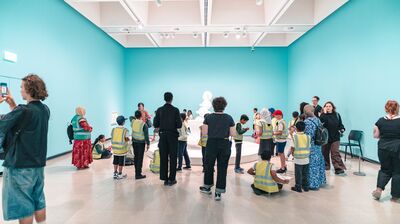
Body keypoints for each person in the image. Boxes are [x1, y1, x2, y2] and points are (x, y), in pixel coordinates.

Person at [0, 74, 49, 224]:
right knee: (38, 199)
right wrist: (12, 105)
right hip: (38, 165)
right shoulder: (44, 109)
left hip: (20, 165)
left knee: (24, 205)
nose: (20, 90)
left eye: (21, 87)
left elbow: (3, 124)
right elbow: (24, 121)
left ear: (28, 89)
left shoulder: (23, 110)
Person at [199, 97, 235, 201]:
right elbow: (233, 134)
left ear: (213, 106)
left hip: (211, 143)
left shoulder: (208, 117)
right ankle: (218, 192)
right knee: (222, 168)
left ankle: (207, 187)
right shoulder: (229, 118)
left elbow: (205, 133)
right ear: (224, 106)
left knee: (209, 165)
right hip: (224, 144)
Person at [372, 100, 400, 203]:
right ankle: (395, 197)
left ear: (386, 108)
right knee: (397, 171)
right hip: (397, 148)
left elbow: (375, 135)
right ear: (397, 109)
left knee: (384, 169)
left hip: (383, 148)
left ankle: (379, 189)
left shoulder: (380, 121)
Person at [153, 92, 182, 186]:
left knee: (163, 157)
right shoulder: (175, 110)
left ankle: (165, 179)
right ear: (172, 99)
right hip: (173, 136)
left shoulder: (159, 110)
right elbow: (179, 125)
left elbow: (156, 124)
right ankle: (172, 179)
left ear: (164, 99)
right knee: (173, 158)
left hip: (163, 136)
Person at [303, 104, 326, 190]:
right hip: (318, 145)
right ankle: (319, 181)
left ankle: (312, 184)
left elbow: (307, 136)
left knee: (311, 165)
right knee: (318, 162)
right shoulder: (317, 120)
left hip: (311, 146)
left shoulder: (307, 122)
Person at [320, 101, 346, 175]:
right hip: (325, 137)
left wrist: (342, 129)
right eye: (326, 106)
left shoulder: (337, 115)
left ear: (332, 107)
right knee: (324, 152)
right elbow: (321, 123)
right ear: (324, 107)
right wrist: (324, 113)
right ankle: (326, 165)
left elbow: (340, 124)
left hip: (335, 137)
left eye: (329, 106)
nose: (328, 107)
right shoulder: (322, 115)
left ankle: (338, 168)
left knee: (335, 153)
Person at [290, 121, 311, 193]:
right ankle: (306, 187)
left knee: (298, 173)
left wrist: (293, 154)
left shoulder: (295, 137)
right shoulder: (308, 137)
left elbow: (292, 148)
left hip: (298, 158)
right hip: (306, 158)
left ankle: (298, 187)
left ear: (296, 128)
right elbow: (309, 147)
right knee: (305, 173)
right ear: (305, 129)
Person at [131, 110, 150, 179]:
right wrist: (148, 144)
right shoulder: (143, 124)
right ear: (141, 116)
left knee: (136, 157)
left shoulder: (133, 122)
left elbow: (131, 117)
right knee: (140, 158)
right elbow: (146, 136)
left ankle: (137, 171)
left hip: (134, 142)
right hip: (141, 143)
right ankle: (138, 174)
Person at [111, 116, 130, 180]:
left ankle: (115, 173)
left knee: (115, 160)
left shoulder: (113, 129)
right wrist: (128, 140)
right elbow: (126, 138)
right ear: (123, 122)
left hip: (115, 149)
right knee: (121, 161)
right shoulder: (125, 130)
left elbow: (112, 137)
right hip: (122, 149)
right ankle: (120, 174)